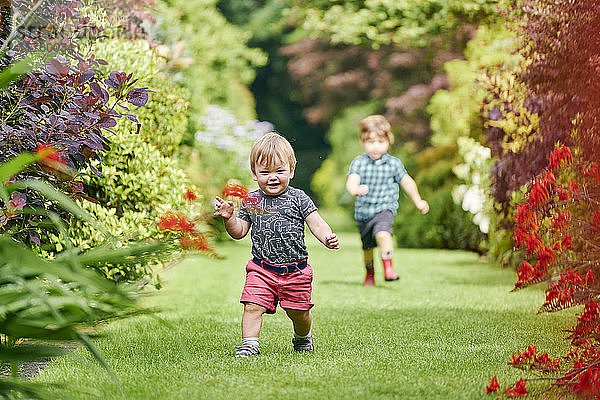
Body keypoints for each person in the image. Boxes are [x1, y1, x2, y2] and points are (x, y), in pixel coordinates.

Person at [214, 132, 339, 357]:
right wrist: (229, 218)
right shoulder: (251, 201)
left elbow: (316, 224)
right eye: (265, 172)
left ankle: (302, 338)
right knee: (252, 306)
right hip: (261, 269)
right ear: (254, 174)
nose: (272, 177)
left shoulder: (299, 198)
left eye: (279, 171)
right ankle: (249, 344)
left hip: (295, 271)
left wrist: (327, 237)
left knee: (298, 313)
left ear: (291, 170)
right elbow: (239, 232)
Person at [346, 115, 429, 286]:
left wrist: (418, 201)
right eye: (370, 142)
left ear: (389, 141)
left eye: (380, 141)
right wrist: (354, 189)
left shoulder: (393, 164)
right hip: (363, 213)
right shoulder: (359, 163)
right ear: (362, 142)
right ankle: (369, 274)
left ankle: (389, 269)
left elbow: (407, 182)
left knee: (383, 234)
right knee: (367, 247)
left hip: (385, 208)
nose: (375, 146)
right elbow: (352, 180)